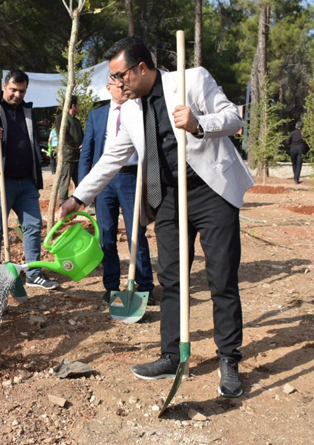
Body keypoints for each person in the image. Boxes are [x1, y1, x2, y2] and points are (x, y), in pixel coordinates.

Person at [59, 37, 254, 398]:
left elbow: (232, 118)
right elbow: (112, 157)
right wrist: (78, 197)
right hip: (167, 198)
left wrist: (198, 123)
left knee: (221, 277)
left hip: (211, 192)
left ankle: (228, 358)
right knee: (173, 278)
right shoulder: (131, 109)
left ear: (142, 69)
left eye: (120, 76)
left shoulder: (191, 80)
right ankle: (171, 355)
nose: (117, 85)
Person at [0, 70, 59, 290]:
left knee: (33, 225)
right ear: (3, 86)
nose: (17, 94)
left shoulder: (28, 111)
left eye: (21, 90)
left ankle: (33, 273)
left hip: (26, 181)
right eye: (13, 89)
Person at [79, 77, 154, 304]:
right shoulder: (97, 115)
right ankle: (111, 285)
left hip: (133, 178)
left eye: (124, 84)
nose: (121, 88)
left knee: (136, 234)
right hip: (105, 182)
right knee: (107, 236)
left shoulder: (142, 111)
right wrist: (84, 190)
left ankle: (145, 285)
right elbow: (87, 153)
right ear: (108, 87)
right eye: (116, 84)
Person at [55, 95, 83, 203]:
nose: (79, 107)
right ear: (73, 105)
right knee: (64, 182)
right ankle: (63, 204)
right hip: (67, 157)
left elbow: (81, 135)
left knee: (80, 181)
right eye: (78, 105)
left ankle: (82, 202)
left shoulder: (76, 121)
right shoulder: (61, 119)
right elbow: (64, 136)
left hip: (77, 157)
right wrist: (76, 147)